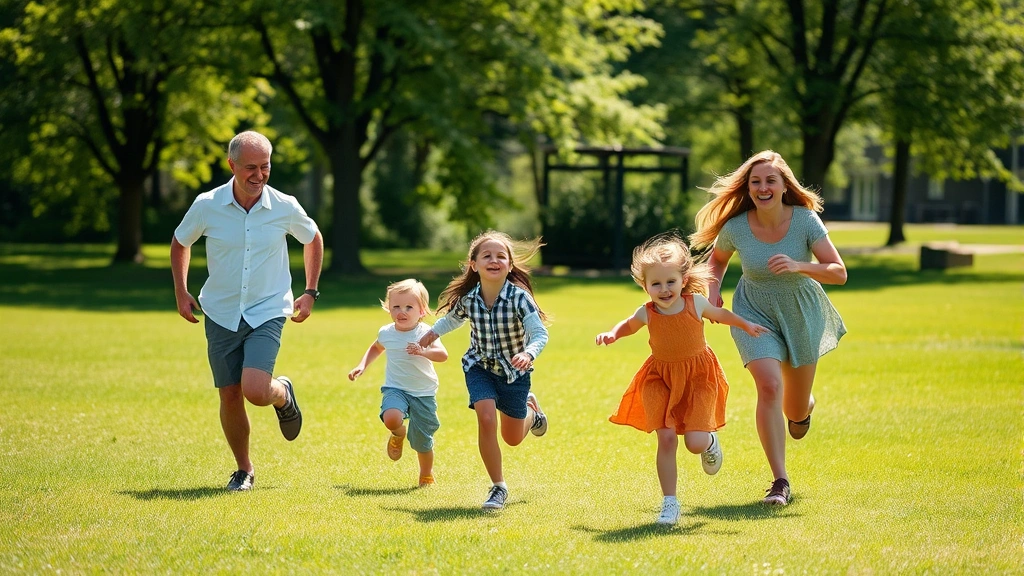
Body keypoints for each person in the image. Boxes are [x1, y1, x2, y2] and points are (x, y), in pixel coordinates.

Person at [689, 150, 847, 506]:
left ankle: (804, 408)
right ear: (748, 187)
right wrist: (713, 297)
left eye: (769, 181)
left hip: (801, 312)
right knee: (769, 385)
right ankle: (780, 481)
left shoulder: (806, 221)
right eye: (755, 181)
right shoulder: (737, 227)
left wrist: (798, 265)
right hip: (754, 313)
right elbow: (716, 261)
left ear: (783, 185)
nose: (762, 187)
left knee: (793, 409)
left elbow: (839, 272)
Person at [171, 130, 324, 492]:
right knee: (229, 393)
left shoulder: (284, 206)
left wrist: (310, 292)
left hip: (268, 308)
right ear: (232, 165)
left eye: (265, 167)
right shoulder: (207, 205)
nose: (258, 175)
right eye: (250, 168)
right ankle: (244, 469)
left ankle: (281, 393)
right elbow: (180, 242)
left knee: (255, 390)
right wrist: (181, 291)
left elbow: (312, 238)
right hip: (221, 310)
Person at [596, 232, 768, 525]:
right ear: (645, 286)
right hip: (659, 377)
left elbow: (721, 314)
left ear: (683, 279)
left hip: (698, 377)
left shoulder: (695, 303)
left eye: (670, 282)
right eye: (656, 284)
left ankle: (709, 440)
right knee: (665, 437)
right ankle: (670, 503)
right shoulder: (647, 312)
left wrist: (745, 324)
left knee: (694, 443)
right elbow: (628, 325)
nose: (664, 289)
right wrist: (613, 334)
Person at [417, 230, 549, 511]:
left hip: (514, 373)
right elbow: (452, 319)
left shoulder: (519, 298)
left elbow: (539, 333)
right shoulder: (470, 298)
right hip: (479, 367)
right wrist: (432, 334)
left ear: (510, 266)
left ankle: (533, 413)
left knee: (512, 439)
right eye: (486, 255)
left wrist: (528, 352)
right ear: (473, 265)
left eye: (501, 256)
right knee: (486, 418)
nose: (494, 260)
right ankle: (498, 487)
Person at [348, 279, 449, 487]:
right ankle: (398, 432)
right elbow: (376, 347)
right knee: (392, 418)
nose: (401, 311)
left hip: (423, 393)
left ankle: (426, 474)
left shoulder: (425, 333)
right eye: (396, 306)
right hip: (396, 388)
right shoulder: (386, 332)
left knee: (422, 441)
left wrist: (424, 351)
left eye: (408, 307)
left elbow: (443, 355)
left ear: (421, 311)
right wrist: (362, 365)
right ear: (388, 308)